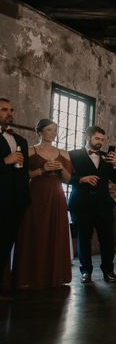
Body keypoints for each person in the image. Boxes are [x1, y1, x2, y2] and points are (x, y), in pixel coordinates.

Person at [10, 119, 74, 290]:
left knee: (55, 231)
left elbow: (68, 179)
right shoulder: (30, 151)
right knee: (33, 230)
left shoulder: (64, 153)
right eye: (49, 129)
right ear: (39, 132)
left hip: (56, 195)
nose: (53, 133)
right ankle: (29, 275)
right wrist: (42, 170)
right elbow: (24, 176)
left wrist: (61, 169)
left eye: (55, 130)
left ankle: (53, 275)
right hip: (35, 194)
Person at [68, 126, 116, 284]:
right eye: (97, 139)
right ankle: (86, 272)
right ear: (87, 138)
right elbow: (65, 176)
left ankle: (109, 271)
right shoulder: (73, 155)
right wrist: (81, 179)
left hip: (103, 205)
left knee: (107, 239)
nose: (100, 143)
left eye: (102, 140)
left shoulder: (107, 157)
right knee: (83, 239)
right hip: (81, 204)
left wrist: (115, 165)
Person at [0, 98, 31, 301]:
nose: (9, 113)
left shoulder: (21, 141)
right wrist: (5, 161)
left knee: (4, 246)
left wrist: (23, 199)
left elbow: (24, 173)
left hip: (16, 202)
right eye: (4, 109)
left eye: (11, 109)